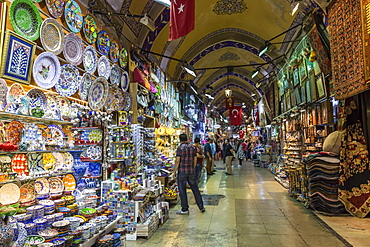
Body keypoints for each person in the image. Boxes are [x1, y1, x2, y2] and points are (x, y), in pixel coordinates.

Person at [174, 134, 205, 215]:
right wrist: (193, 168)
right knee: (195, 189)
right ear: (187, 139)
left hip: (182, 171)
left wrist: (174, 171)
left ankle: (185, 209)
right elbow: (195, 159)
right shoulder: (192, 147)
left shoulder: (180, 148)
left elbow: (178, 160)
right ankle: (201, 206)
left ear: (180, 139)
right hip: (191, 172)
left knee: (182, 190)